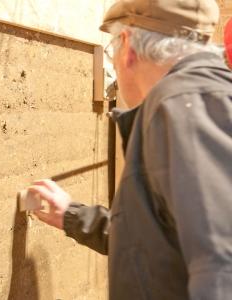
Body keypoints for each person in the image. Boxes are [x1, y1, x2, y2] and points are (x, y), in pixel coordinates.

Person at [27, 0, 232, 299]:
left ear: (127, 44)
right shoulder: (194, 101)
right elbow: (158, 243)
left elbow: (221, 265)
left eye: (110, 51)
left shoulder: (185, 106)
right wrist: (72, 216)